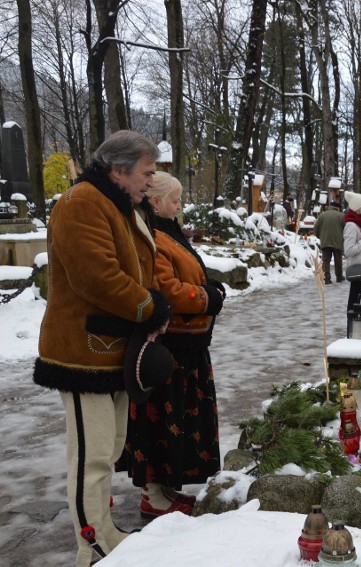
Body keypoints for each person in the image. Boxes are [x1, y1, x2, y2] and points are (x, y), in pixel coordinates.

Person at [32, 130, 171, 567]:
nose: (152, 181)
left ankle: (103, 530)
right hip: (81, 351)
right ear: (119, 168)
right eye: (147, 173)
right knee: (91, 455)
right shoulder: (82, 203)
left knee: (108, 449)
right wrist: (149, 307)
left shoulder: (116, 202)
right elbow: (97, 277)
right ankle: (90, 543)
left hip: (109, 347)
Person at [119, 172, 225, 518]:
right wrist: (208, 297)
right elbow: (167, 288)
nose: (179, 206)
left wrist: (210, 288)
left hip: (187, 345)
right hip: (169, 347)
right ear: (155, 201)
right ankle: (152, 492)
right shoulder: (151, 237)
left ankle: (163, 487)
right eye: (175, 200)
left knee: (175, 419)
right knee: (159, 421)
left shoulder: (166, 232)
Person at [313, 201, 345, 284]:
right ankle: (339, 277)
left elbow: (316, 228)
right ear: (338, 208)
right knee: (338, 260)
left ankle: (326, 278)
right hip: (338, 241)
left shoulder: (322, 215)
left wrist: (321, 237)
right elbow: (346, 229)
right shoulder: (341, 216)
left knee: (325, 260)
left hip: (325, 241)